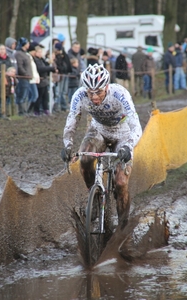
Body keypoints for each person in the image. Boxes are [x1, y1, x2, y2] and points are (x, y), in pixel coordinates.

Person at [61, 64, 142, 226]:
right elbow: (71, 122)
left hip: (123, 133)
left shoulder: (120, 94)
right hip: (99, 130)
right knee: (84, 159)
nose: (94, 97)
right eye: (90, 92)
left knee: (120, 182)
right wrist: (67, 145)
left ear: (106, 86)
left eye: (98, 92)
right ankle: (95, 199)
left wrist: (128, 146)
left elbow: (136, 126)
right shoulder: (79, 96)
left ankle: (123, 226)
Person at [33, 46, 57, 116]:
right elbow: (41, 69)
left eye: (41, 52)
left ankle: (45, 109)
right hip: (40, 80)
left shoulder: (42, 60)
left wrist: (52, 67)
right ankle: (36, 110)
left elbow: (46, 66)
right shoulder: (36, 60)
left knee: (45, 96)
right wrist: (51, 68)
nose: (40, 54)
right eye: (39, 52)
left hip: (44, 81)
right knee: (39, 96)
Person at [15, 37, 32, 115]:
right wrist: (25, 74)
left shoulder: (25, 53)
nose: (29, 44)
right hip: (23, 78)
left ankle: (24, 110)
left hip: (27, 78)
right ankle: (21, 111)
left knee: (25, 95)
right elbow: (20, 66)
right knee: (22, 94)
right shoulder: (19, 54)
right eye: (27, 43)